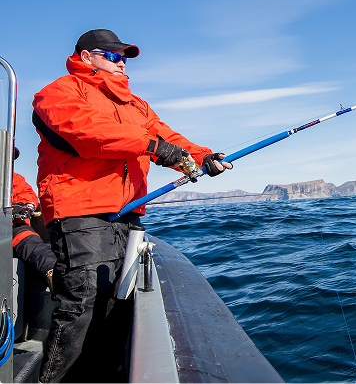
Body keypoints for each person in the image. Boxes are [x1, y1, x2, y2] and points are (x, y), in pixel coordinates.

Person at [32, 29, 232, 383]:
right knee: (83, 304)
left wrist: (203, 158)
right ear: (84, 57)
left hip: (129, 214)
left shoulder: (136, 105)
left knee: (115, 305)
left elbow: (167, 138)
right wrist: (153, 146)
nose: (121, 63)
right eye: (111, 56)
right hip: (82, 212)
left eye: (124, 57)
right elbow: (88, 132)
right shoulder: (59, 93)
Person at [12, 147, 56, 292]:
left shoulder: (14, 179)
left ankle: (54, 274)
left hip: (14, 227)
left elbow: (28, 196)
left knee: (33, 245)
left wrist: (21, 206)